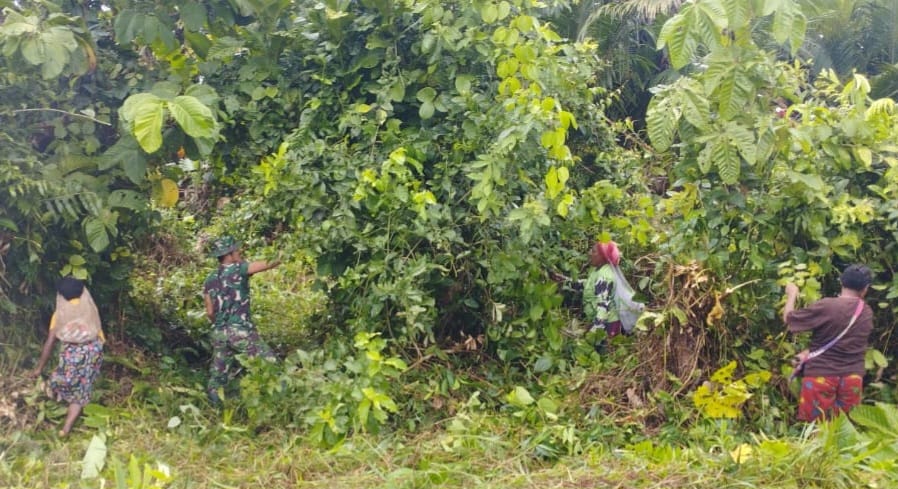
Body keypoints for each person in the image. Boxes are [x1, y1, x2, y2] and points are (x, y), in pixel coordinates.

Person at [783, 264, 874, 422]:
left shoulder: (826, 306)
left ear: (841, 282)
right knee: (846, 430)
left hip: (821, 376)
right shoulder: (866, 312)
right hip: (852, 377)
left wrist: (792, 294)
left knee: (815, 429)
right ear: (865, 288)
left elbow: (789, 319)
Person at [203, 236, 280, 405]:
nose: (240, 253)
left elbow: (209, 312)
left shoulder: (209, 279)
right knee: (270, 363)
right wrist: (283, 253)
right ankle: (277, 404)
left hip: (218, 332)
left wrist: (222, 324)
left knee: (218, 377)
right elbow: (271, 262)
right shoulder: (240, 269)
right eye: (237, 250)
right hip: (240, 331)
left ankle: (215, 409)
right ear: (230, 254)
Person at [30, 277, 104, 436]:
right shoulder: (89, 307)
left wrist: (39, 368)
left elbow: (50, 342)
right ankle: (66, 428)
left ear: (61, 295)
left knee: (59, 380)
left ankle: (63, 406)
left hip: (72, 354)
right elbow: (98, 331)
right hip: (93, 351)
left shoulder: (60, 315)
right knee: (82, 389)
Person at [553, 240, 624, 340]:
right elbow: (587, 285)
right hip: (603, 323)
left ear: (603, 256)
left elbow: (603, 308)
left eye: (594, 251)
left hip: (608, 325)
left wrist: (593, 332)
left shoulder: (604, 276)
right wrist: (564, 280)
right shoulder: (599, 270)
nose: (589, 253)